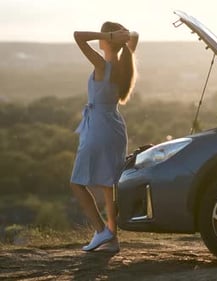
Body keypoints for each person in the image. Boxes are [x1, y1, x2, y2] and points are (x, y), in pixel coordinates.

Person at [70, 22, 139, 252]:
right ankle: (113, 238)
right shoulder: (122, 64)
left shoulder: (102, 65)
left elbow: (78, 35)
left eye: (103, 34)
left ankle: (101, 231)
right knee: (109, 183)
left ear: (108, 40)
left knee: (77, 183)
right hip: (115, 126)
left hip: (99, 128)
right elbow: (134, 36)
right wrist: (119, 37)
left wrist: (109, 34)